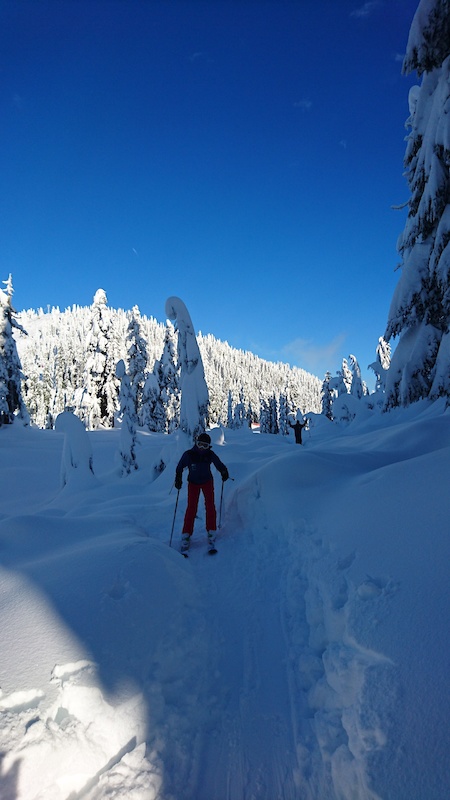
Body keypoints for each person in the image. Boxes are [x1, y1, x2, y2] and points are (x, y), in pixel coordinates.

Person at [174, 432, 229, 554]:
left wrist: (224, 471)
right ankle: (186, 535)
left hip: (207, 482)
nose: (201, 448)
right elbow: (179, 467)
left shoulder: (209, 454)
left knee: (210, 506)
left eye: (204, 445)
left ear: (208, 446)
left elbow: (218, 463)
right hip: (193, 483)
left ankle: (211, 531)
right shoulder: (189, 454)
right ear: (196, 443)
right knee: (191, 508)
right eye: (200, 444)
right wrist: (178, 478)